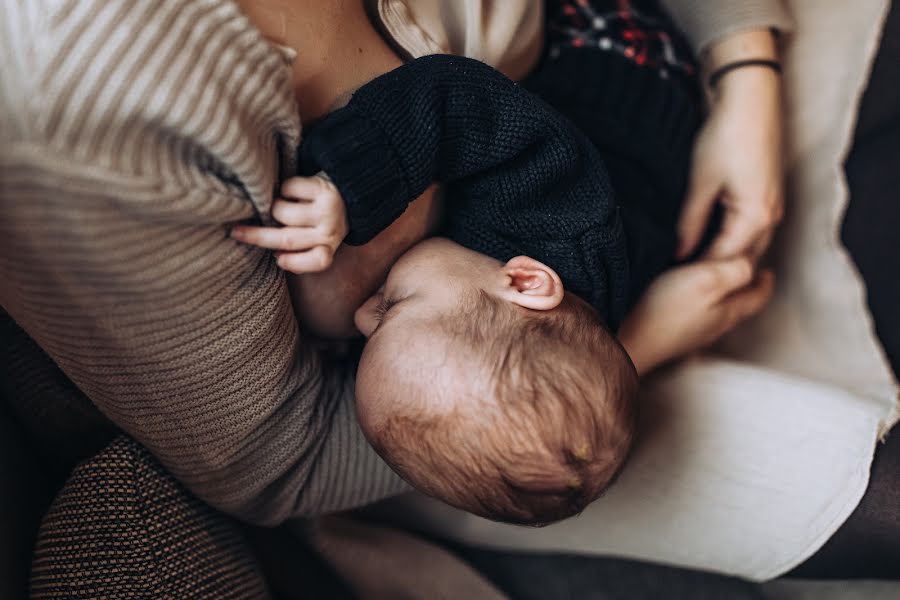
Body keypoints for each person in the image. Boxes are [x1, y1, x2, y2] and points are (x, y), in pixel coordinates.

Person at [231, 32, 771, 523]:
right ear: (524, 282)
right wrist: (348, 185)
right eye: (392, 309)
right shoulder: (552, 208)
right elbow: (458, 98)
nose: (361, 314)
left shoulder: (528, 336)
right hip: (618, 58)